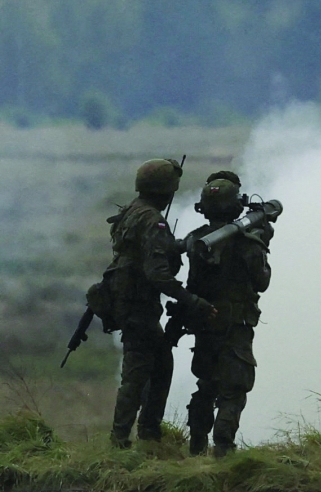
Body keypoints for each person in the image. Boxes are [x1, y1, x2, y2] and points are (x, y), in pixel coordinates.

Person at [106, 159, 215, 448]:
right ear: (165, 190)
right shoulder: (153, 220)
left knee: (159, 364)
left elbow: (141, 253)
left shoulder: (131, 211)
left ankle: (149, 435)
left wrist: (176, 246)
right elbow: (158, 275)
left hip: (128, 303)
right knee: (137, 371)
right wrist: (192, 301)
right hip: (139, 306)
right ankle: (122, 440)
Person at [184, 171, 273, 458]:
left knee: (205, 385)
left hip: (204, 322)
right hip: (236, 324)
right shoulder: (247, 243)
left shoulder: (196, 240)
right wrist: (263, 242)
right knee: (234, 389)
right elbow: (262, 282)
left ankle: (196, 447)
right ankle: (224, 449)